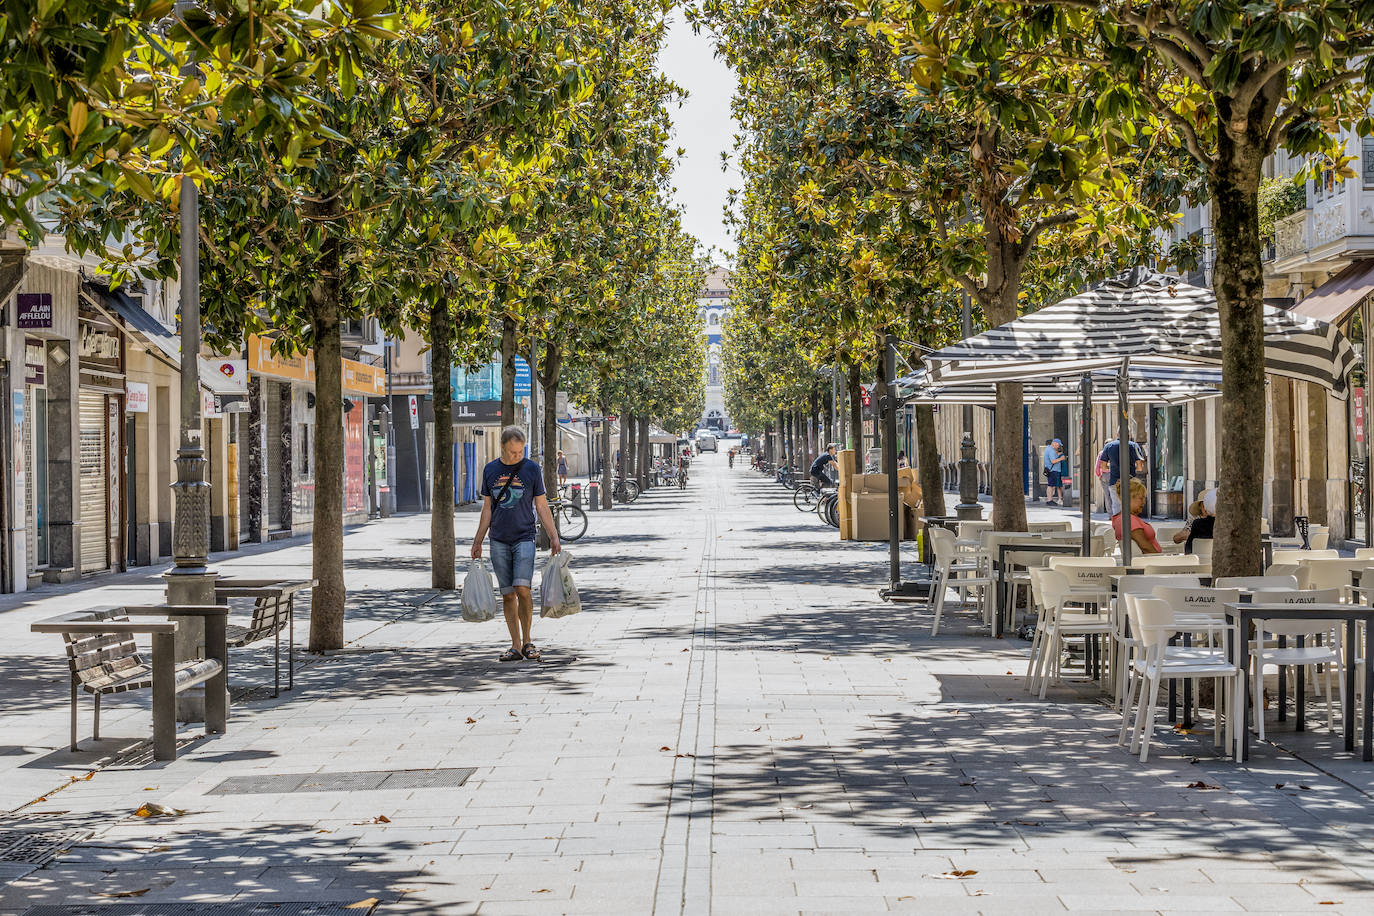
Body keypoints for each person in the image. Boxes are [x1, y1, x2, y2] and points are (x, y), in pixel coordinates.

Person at [472, 426, 561, 662]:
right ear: (503, 447)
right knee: (508, 594)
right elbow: (487, 509)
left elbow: (541, 506)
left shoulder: (531, 469)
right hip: (498, 538)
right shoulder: (490, 470)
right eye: (512, 452)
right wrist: (478, 539)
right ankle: (515, 645)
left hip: (524, 536)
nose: (516, 456)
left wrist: (553, 535)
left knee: (522, 588)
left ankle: (529, 640)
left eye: (520, 452)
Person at [1096, 428, 1146, 517]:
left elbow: (1103, 466)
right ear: (1129, 434)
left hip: (1114, 481)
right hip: (1131, 481)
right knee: (1131, 505)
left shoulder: (1109, 446)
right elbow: (1139, 467)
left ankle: (1118, 527)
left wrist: (1113, 467)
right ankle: (1131, 527)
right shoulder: (1134, 446)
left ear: (1117, 434)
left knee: (1116, 506)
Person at [1111, 477, 1160, 555]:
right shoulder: (1128, 520)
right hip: (1151, 562)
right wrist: (1161, 559)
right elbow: (1145, 546)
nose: (1144, 502)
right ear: (1128, 499)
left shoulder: (1124, 518)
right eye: (1141, 498)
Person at [1174, 488, 1216, 554]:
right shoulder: (1195, 520)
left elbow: (1188, 548)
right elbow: (1176, 539)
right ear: (1200, 506)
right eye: (1203, 505)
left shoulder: (1197, 523)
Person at [1044, 438, 1066, 507]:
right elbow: (1053, 461)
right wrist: (1061, 458)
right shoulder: (1051, 450)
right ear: (1054, 443)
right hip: (1053, 470)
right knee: (1051, 486)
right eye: (1058, 445)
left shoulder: (1049, 449)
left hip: (1051, 470)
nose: (1058, 446)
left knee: (1051, 485)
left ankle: (1049, 500)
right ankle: (1050, 500)